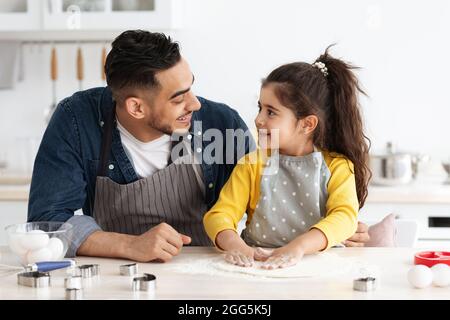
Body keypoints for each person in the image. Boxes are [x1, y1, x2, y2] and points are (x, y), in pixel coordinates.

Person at [28, 31, 369, 264]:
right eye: (178, 98)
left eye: (191, 87)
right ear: (136, 108)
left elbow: (262, 200)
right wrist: (128, 244)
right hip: (118, 276)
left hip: (204, 276)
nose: (195, 104)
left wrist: (330, 226)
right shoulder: (77, 120)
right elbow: (46, 222)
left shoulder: (221, 123)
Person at [203, 46, 372, 269]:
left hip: (318, 267)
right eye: (259, 108)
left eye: (271, 112)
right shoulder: (252, 165)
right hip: (258, 266)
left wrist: (299, 247)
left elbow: (344, 217)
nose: (258, 119)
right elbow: (219, 214)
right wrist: (235, 244)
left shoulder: (338, 167)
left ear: (307, 124)